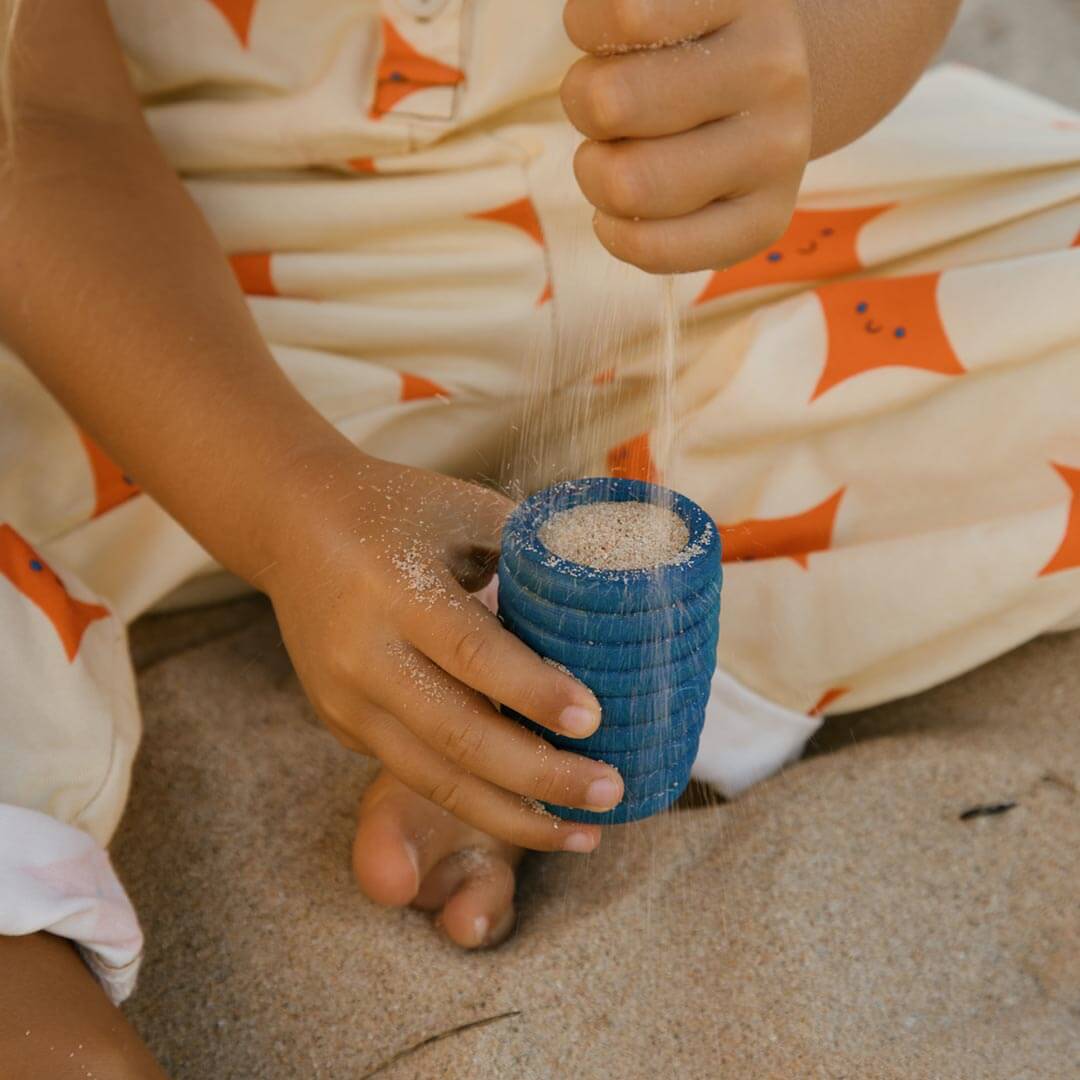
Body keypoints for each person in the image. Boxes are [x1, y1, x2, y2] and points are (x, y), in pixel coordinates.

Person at [1, 1, 1078, 1074]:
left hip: (674, 247)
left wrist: (806, 63)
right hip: (155, 322)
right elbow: (44, 116)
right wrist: (286, 503)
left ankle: (566, 687)